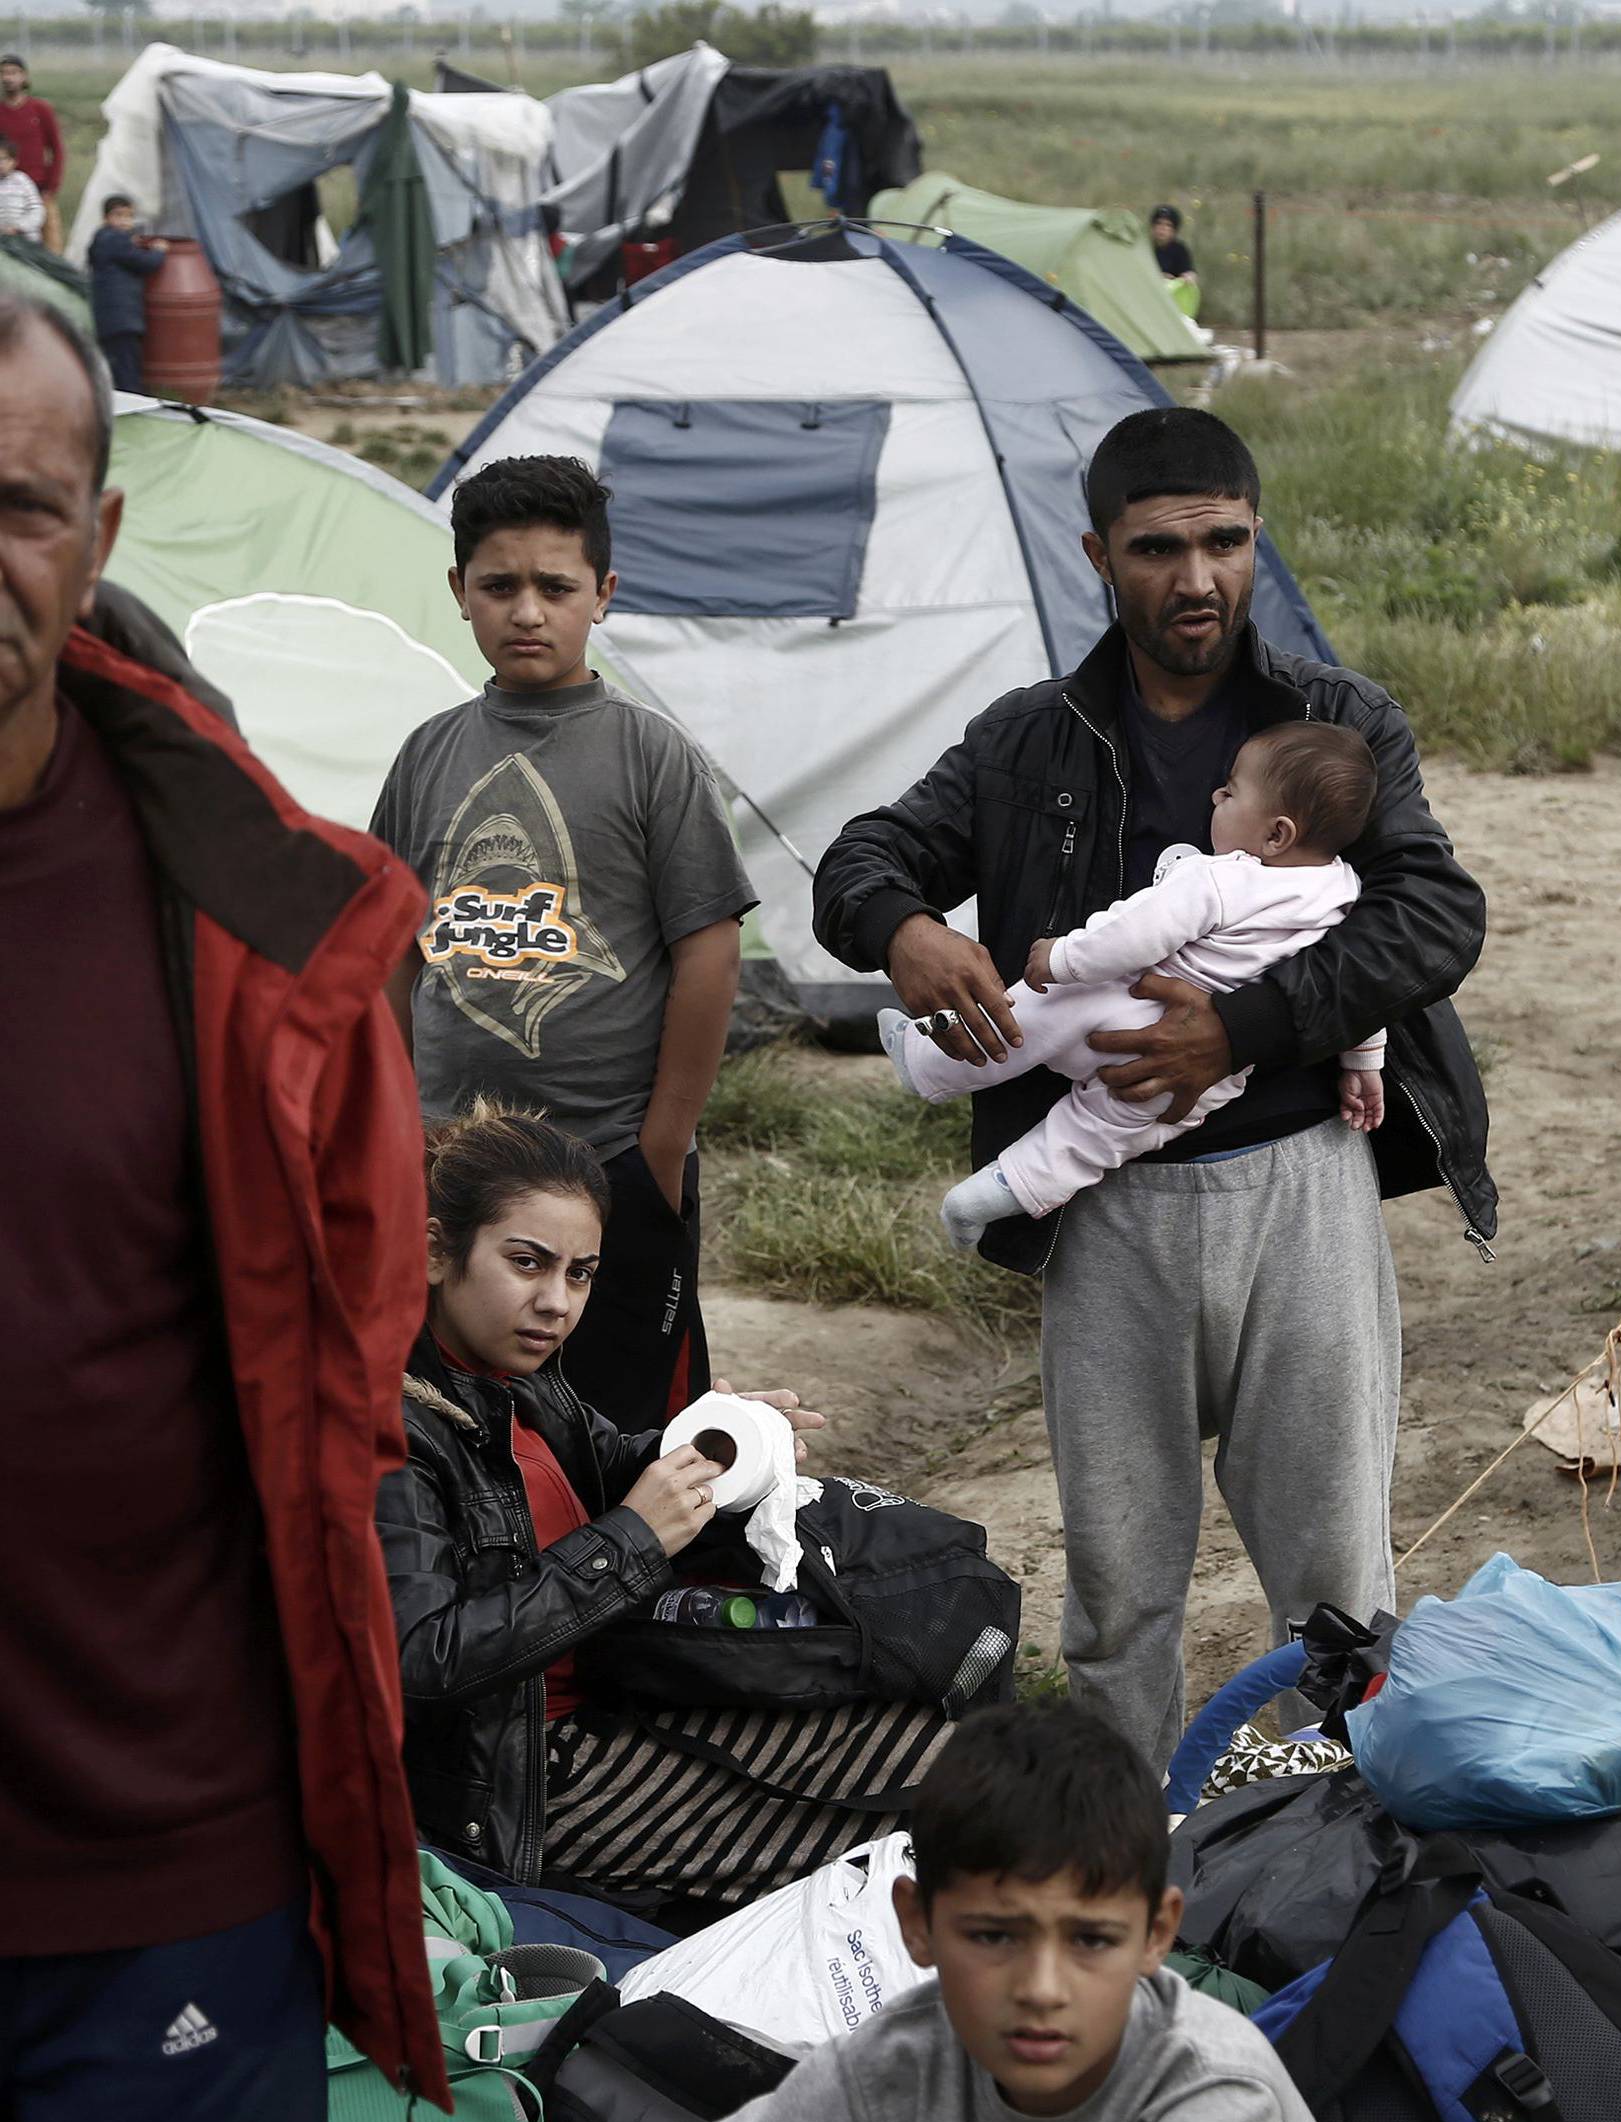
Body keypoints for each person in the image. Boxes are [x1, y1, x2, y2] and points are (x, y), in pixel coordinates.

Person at [813, 405, 1494, 1774]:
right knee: (1120, 1594)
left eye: (1226, 543)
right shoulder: (1027, 742)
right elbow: (861, 857)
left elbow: (1435, 918)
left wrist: (1236, 1030)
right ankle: (1125, 1870)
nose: (1197, 578)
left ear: (1257, 542)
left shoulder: (1339, 725)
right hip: (1107, 1211)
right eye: (1160, 548)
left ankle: (1328, 1853)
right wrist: (905, 928)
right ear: (1098, 557)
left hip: (1302, 1187)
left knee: (1339, 1583)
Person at [0, 293, 442, 2122]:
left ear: (92, 540)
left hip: (164, 1861)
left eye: (12, 507)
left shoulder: (259, 915)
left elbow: (354, 1352)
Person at [566, 1698, 1373, 2122]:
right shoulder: (905, 2058)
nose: (1042, 1987)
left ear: (1158, 1932)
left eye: (1092, 1940)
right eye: (994, 1936)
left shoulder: (1215, 2105)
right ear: (917, 1922)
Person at [377, 1099, 953, 1901]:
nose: (557, 1302)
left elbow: (610, 1462)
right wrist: (630, 1538)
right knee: (901, 1852)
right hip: (530, 1787)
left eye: (580, 1273)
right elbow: (422, 1661)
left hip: (626, 1697)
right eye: (527, 1262)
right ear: (439, 1252)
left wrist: (721, 1445)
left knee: (947, 1746)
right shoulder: (391, 1426)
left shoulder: (521, 1382)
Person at [373, 453, 757, 1437]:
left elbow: (708, 952)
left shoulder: (650, 754)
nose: (528, 611)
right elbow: (391, 950)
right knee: (453, 1422)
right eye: (500, 586)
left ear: (604, 594)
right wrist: (396, 1121)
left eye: (556, 586)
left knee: (622, 1422)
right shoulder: (426, 753)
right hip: (451, 1162)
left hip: (614, 1158)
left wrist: (663, 1144)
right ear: (459, 592)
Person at [882, 721, 1387, 1249]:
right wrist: (1362, 1062)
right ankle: (1000, 1190)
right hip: (1206, 1074)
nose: (1216, 795)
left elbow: (1134, 934)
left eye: (1231, 791)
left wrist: (1062, 959)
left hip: (1126, 1008)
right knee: (1098, 1133)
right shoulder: (1346, 893)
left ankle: (925, 1062)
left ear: (1276, 834)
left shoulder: (1221, 877)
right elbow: (1353, 987)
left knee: (1030, 1017)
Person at [86, 194, 165, 392]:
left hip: (108, 318)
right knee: (127, 371)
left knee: (114, 369)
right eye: (118, 215)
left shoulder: (102, 239)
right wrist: (159, 251)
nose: (124, 221)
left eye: (128, 216)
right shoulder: (115, 240)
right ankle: (132, 407)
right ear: (106, 218)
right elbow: (146, 263)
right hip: (122, 318)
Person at [0, 56, 61, 250]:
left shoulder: (40, 109)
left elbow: (57, 149)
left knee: (51, 243)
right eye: (4, 73)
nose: (8, 78)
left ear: (24, 77)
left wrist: (51, 187)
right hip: (7, 190)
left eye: (13, 73)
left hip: (39, 187)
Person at [1150, 202, 1200, 317]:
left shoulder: (1179, 250)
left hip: (1170, 301)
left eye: (1168, 225)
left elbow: (1188, 272)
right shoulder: (1146, 248)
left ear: (1174, 230)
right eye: (1159, 224)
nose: (1162, 229)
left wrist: (1188, 278)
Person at [0, 137, 44, 241]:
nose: (0, 164)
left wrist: (20, 226)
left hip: (26, 239)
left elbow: (37, 209)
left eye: (4, 159)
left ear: (14, 161)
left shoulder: (22, 181)